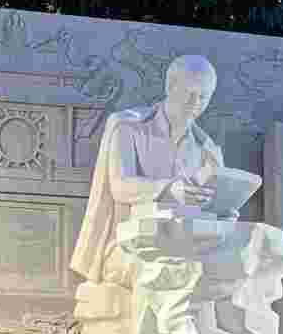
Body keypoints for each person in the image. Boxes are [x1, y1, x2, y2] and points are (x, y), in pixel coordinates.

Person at [67, 54, 223, 293]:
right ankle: (174, 330)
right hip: (129, 247)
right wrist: (168, 189)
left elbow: (211, 208)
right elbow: (120, 186)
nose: (195, 104)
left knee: (247, 260)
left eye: (204, 97)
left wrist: (223, 209)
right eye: (189, 94)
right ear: (170, 86)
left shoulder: (207, 151)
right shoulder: (127, 126)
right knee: (167, 270)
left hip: (187, 245)